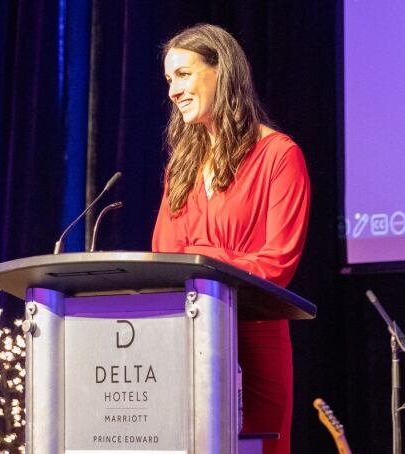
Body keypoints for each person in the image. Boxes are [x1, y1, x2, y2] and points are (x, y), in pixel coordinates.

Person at [152, 23, 311, 454]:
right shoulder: (180, 168)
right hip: (186, 342)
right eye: (169, 80)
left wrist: (202, 258)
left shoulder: (279, 155)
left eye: (183, 75)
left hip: (254, 344)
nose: (172, 91)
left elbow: (277, 264)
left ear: (221, 71)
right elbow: (164, 259)